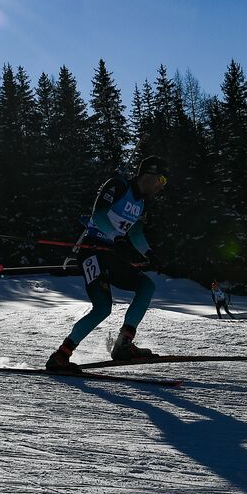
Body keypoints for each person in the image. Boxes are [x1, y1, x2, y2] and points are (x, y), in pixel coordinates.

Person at [45, 155, 167, 373]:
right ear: (149, 174)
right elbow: (98, 215)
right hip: (92, 250)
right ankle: (61, 356)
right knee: (102, 308)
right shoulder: (118, 186)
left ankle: (123, 344)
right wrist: (116, 237)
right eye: (161, 180)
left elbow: (136, 232)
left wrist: (150, 253)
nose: (161, 186)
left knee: (146, 286)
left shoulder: (143, 202)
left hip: (111, 253)